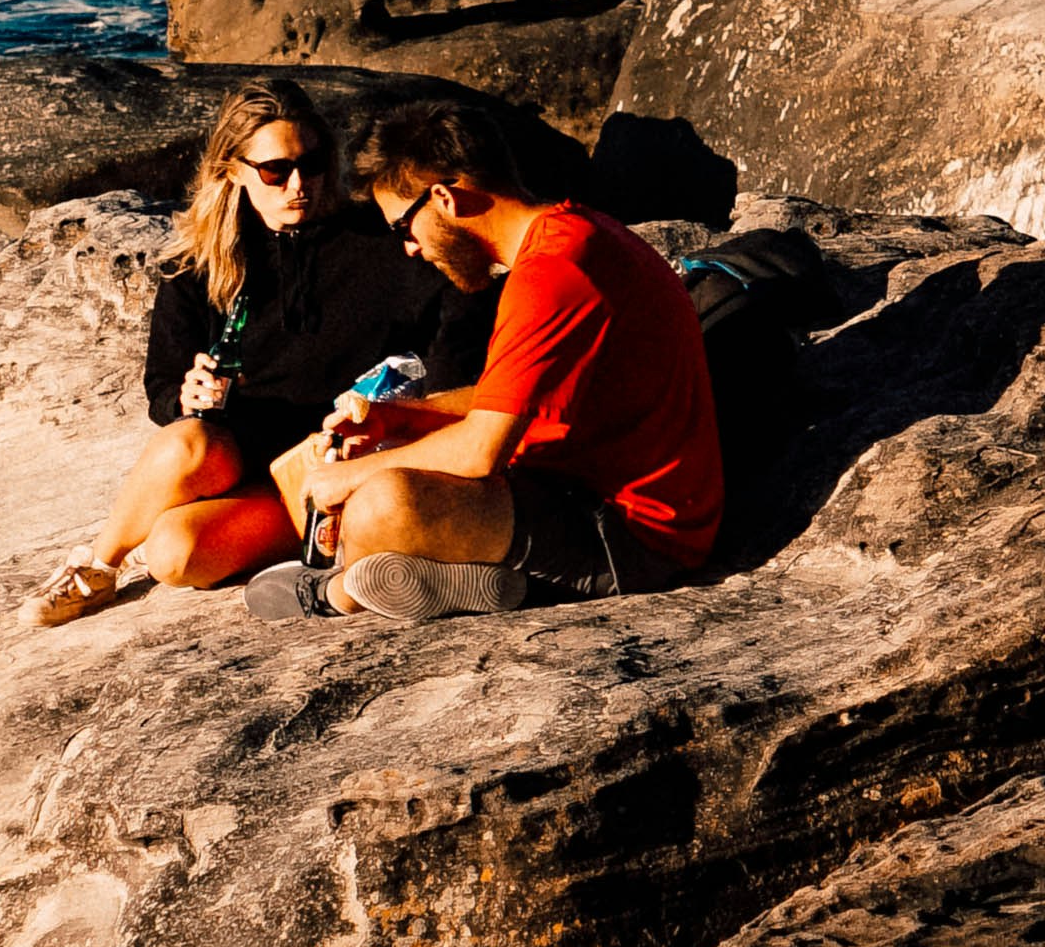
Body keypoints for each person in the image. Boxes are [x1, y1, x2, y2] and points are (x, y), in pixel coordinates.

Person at [261, 93, 723, 622]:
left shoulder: (551, 276)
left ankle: (338, 593)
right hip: (582, 491)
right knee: (393, 468)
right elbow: (505, 399)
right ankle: (473, 583)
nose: (409, 249)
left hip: (633, 535)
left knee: (381, 504)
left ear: (444, 199)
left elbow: (481, 451)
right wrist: (405, 418)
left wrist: (345, 480)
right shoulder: (573, 235)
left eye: (402, 228)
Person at [25, 87, 471, 625]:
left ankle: (327, 548)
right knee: (180, 486)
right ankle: (98, 566)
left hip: (336, 471)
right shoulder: (199, 264)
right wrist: (185, 397)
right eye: (275, 171)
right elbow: (162, 389)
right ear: (233, 170)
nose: (299, 186)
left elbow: (454, 337)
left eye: (311, 165)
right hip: (237, 462)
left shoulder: (386, 244)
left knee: (176, 546)